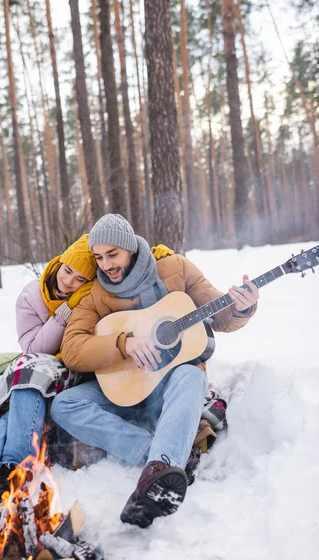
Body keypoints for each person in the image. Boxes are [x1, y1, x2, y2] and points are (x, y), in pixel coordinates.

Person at [50, 214, 259, 528]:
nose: (105, 264)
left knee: (191, 374)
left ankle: (159, 474)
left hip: (173, 388)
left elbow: (218, 311)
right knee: (64, 405)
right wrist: (124, 344)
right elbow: (73, 350)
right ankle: (161, 457)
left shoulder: (175, 269)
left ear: (130, 248)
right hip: (126, 391)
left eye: (112, 254)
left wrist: (241, 307)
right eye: (99, 257)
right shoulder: (94, 296)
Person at [0, 235, 97, 522]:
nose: (68, 282)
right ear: (59, 263)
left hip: (73, 375)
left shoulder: (90, 299)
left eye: (79, 279)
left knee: (20, 399)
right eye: (67, 271)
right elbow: (33, 350)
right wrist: (62, 315)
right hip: (36, 372)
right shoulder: (31, 297)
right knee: (26, 383)